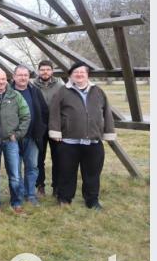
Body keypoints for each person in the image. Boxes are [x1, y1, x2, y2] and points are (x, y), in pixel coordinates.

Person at [49, 62, 116, 210]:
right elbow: (54, 112)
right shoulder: (62, 92)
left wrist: (109, 132)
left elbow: (107, 113)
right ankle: (65, 198)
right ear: (71, 75)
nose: (79, 75)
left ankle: (92, 200)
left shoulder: (98, 91)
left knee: (92, 174)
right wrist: (55, 131)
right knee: (67, 173)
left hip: (93, 142)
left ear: (87, 75)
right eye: (75, 73)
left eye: (82, 72)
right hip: (68, 142)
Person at [0, 70, 30, 214]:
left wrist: (17, 135)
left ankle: (16, 202)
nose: (0, 82)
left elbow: (26, 115)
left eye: (3, 79)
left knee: (15, 174)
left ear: (7, 80)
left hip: (11, 141)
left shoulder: (15, 95)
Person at [12, 64, 49, 207]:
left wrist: (41, 129)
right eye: (20, 75)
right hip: (13, 138)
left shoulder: (35, 92)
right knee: (15, 168)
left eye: (25, 75)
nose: (23, 78)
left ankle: (30, 194)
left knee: (32, 166)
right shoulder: (8, 92)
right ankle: (19, 194)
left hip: (32, 136)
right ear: (14, 76)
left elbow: (44, 112)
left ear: (29, 77)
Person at [32, 60, 64, 196]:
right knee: (39, 158)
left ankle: (56, 186)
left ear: (52, 71)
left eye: (48, 69)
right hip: (39, 125)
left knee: (58, 157)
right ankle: (40, 186)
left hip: (55, 125)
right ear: (38, 71)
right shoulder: (32, 85)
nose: (45, 72)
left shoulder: (60, 85)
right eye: (42, 69)